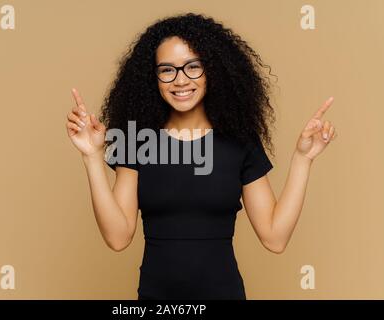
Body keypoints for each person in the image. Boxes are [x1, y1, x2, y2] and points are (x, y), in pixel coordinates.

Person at [65, 13, 338, 300]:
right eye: (167, 70)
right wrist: (92, 157)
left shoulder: (239, 142)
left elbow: (275, 237)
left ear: (212, 71)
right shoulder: (136, 141)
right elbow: (118, 238)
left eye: (193, 67)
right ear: (153, 77)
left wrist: (303, 159)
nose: (180, 80)